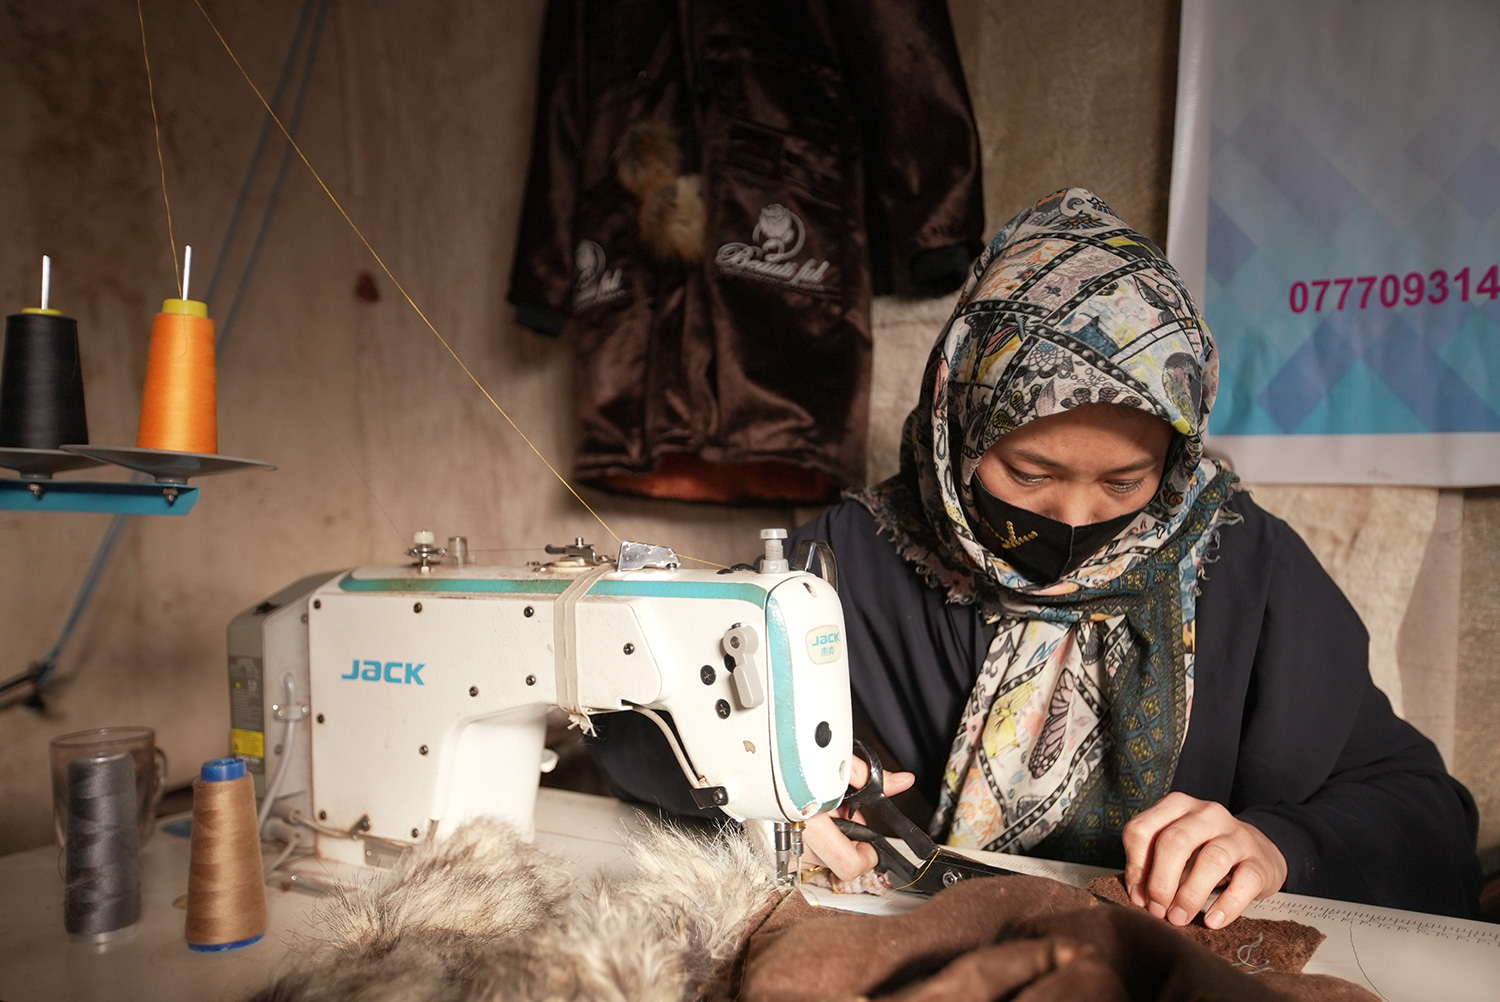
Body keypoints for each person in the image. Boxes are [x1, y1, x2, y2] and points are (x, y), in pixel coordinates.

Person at [589, 188, 1484, 925]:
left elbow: (1426, 814)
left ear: (1176, 458)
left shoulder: (1250, 571)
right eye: (1029, 471)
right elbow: (637, 731)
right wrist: (761, 787)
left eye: (1126, 483)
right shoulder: (850, 560)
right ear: (956, 424)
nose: (1073, 517)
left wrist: (1281, 844)